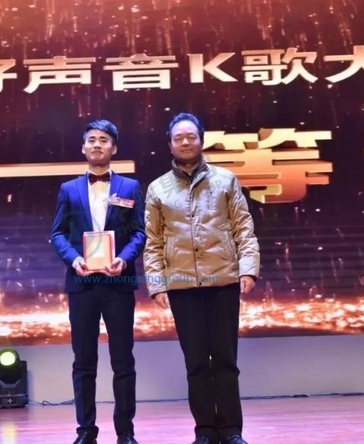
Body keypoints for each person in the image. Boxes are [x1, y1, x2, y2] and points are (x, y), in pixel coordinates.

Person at [143, 112, 260, 444]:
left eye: (191, 136)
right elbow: (153, 241)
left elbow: (243, 228)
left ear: (201, 141)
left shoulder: (225, 180)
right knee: (195, 363)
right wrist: (157, 284)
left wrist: (248, 268)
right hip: (182, 286)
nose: (185, 142)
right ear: (169, 145)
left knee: (225, 360)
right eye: (178, 137)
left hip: (223, 281)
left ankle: (232, 429)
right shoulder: (158, 189)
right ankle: (205, 430)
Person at [50, 119, 146, 444]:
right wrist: (74, 259)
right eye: (91, 139)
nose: (96, 144)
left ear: (113, 148)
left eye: (103, 140)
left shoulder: (129, 187)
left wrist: (125, 259)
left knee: (123, 361)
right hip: (82, 285)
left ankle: (125, 432)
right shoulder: (69, 189)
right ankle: (86, 431)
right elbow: (57, 233)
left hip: (118, 283)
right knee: (83, 362)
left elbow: (139, 232)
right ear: (83, 147)